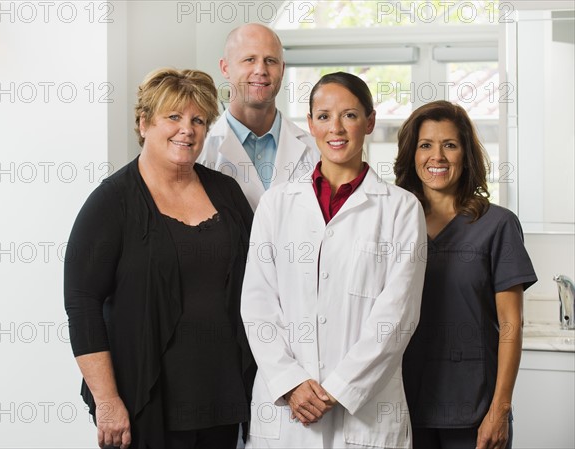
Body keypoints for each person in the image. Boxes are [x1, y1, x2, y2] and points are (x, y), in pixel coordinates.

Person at [64, 68, 255, 449]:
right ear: (144, 122)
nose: (187, 129)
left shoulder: (226, 192)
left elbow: (260, 283)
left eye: (198, 120)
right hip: (145, 403)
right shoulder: (112, 202)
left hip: (222, 396)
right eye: (174, 117)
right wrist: (107, 401)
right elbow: (82, 304)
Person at [240, 72, 427, 449]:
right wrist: (290, 382)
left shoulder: (401, 209)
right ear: (310, 124)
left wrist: (338, 390)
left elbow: (397, 316)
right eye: (323, 116)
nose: (335, 128)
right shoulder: (277, 204)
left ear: (370, 121)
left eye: (350, 115)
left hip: (366, 415)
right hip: (286, 413)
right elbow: (257, 305)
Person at [394, 100, 538, 449]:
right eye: (426, 145)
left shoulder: (497, 225)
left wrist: (500, 410)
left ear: (466, 154)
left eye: (450, 145)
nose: (437, 156)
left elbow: (511, 323)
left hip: (475, 409)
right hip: (403, 406)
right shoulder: (395, 222)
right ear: (412, 155)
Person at [198, 23, 320, 211]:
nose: (260, 70)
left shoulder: (315, 151)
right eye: (249, 59)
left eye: (270, 60)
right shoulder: (200, 152)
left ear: (282, 69)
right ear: (225, 68)